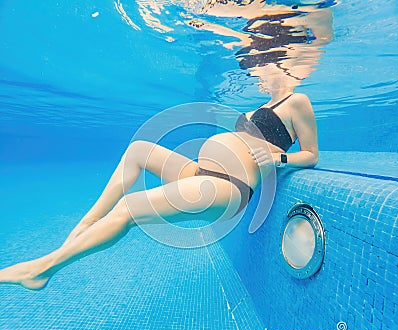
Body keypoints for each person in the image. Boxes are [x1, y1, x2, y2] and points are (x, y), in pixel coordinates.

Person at [0, 88, 318, 291]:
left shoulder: (298, 100)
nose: (258, 67)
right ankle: (86, 224)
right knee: (139, 149)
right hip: (202, 171)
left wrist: (281, 156)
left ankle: (39, 271)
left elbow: (312, 154)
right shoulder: (261, 103)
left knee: (129, 207)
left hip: (228, 187)